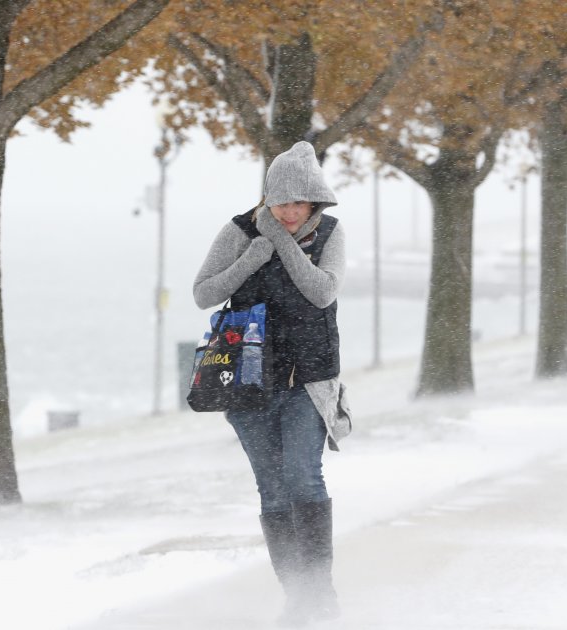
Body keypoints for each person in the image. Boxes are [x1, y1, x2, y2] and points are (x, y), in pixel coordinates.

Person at [193, 141, 351, 627]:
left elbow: (322, 293)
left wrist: (281, 246)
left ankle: (319, 592)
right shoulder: (239, 231)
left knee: (303, 476)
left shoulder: (330, 234)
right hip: (247, 382)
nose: (287, 211)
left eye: (297, 203)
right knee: (272, 489)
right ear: (267, 199)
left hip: (308, 381)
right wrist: (251, 257)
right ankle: (297, 595)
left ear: (314, 203)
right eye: (279, 202)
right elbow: (204, 293)